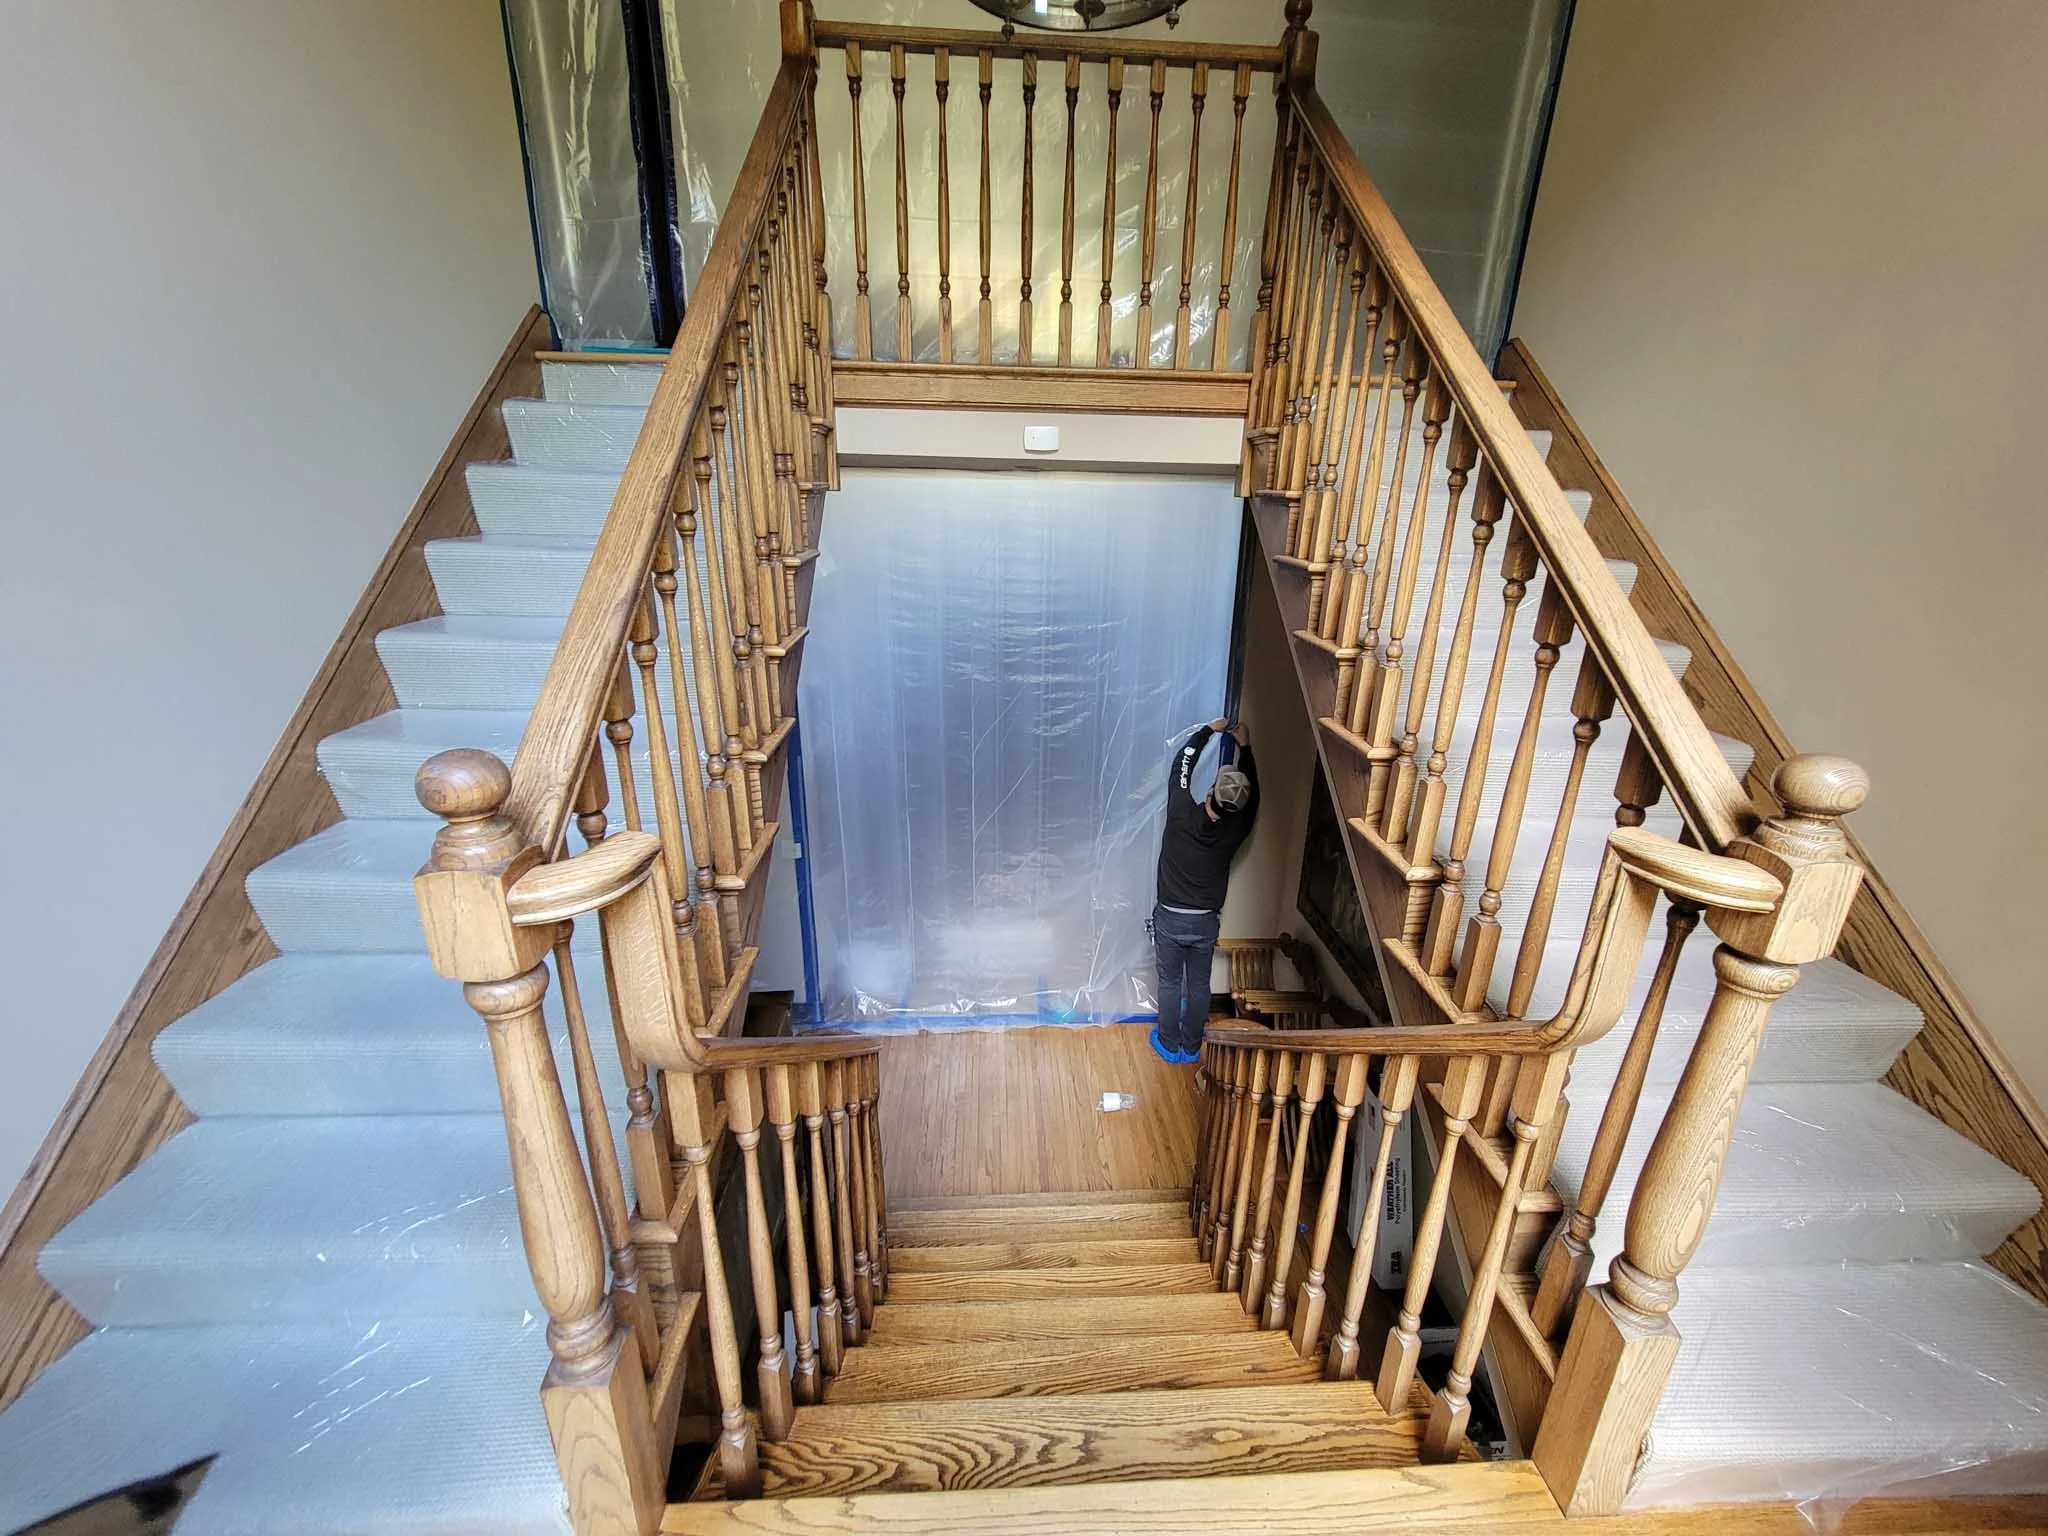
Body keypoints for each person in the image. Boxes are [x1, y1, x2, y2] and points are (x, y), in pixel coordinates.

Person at [1150, 717, 1259, 1064]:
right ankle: (1191, 1046)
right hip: (1205, 922)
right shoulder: (1236, 829)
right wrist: (1246, 748)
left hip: (1169, 917)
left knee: (1169, 984)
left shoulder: (1181, 812)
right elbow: (1254, 795)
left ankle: (1169, 1044)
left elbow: (1182, 763)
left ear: (1211, 791)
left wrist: (1208, 732)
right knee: (1198, 986)